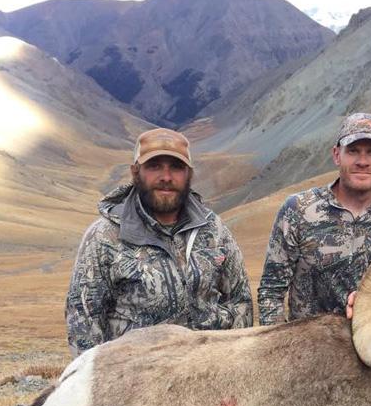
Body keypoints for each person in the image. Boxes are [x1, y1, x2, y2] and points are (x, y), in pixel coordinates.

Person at [66, 128, 253, 356]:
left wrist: (236, 366)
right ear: (136, 172)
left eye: (176, 167)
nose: (166, 177)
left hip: (210, 373)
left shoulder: (214, 229)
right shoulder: (104, 236)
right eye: (154, 166)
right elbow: (83, 321)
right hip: (137, 378)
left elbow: (240, 301)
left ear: (189, 174)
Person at [258, 112, 371, 325]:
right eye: (352, 151)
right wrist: (282, 349)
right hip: (313, 348)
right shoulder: (298, 210)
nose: (362, 161)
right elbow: (271, 290)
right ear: (336, 154)